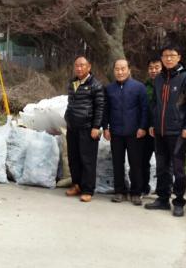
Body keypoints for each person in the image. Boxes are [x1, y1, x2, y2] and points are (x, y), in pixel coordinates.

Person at [145, 44, 186, 217]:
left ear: (179, 57)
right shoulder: (159, 78)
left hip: (177, 131)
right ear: (161, 58)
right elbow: (154, 103)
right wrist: (153, 124)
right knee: (162, 167)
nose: (168, 58)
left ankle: (179, 201)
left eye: (172, 55)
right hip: (160, 131)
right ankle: (162, 199)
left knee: (178, 168)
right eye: (165, 55)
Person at [102, 59, 149, 206]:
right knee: (117, 163)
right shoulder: (109, 89)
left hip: (134, 133)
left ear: (129, 70)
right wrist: (105, 127)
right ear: (114, 71)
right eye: (117, 69)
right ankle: (119, 191)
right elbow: (106, 110)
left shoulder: (139, 87)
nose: (120, 72)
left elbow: (144, 109)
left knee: (136, 164)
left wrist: (143, 127)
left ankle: (136, 192)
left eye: (123, 69)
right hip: (116, 132)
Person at [63, 56, 105, 203]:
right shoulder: (73, 82)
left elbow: (100, 108)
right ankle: (77, 185)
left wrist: (96, 127)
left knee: (87, 160)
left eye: (82, 65)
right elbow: (71, 103)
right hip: (72, 127)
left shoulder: (96, 85)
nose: (79, 68)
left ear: (89, 67)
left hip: (88, 128)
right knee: (73, 158)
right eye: (77, 66)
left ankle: (88, 189)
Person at [143, 57, 163, 196]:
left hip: (161, 129)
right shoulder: (144, 87)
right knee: (144, 160)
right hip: (145, 130)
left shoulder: (168, 85)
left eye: (157, 67)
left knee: (163, 161)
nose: (153, 70)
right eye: (151, 68)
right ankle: (144, 187)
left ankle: (163, 190)